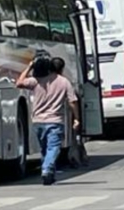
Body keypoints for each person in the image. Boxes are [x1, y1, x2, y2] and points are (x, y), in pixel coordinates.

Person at [16, 54, 81, 185]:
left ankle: (49, 173)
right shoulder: (64, 82)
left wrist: (29, 67)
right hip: (55, 121)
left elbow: (19, 83)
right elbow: (73, 101)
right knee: (53, 148)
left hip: (38, 121)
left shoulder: (36, 80)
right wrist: (77, 118)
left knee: (45, 149)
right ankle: (47, 169)